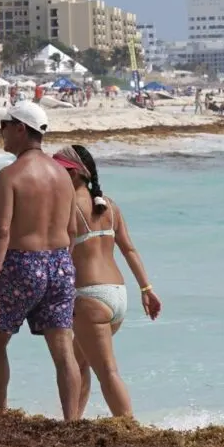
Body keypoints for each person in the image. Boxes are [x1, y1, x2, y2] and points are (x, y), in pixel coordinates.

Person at [0, 101, 81, 421]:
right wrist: (65, 273)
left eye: (5, 126)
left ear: (21, 129)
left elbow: (1, 230)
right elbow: (72, 229)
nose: (1, 132)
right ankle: (72, 423)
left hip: (23, 264)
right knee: (63, 349)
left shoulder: (10, 176)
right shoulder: (63, 177)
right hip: (60, 264)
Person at [51, 145, 162, 419]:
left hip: (90, 298)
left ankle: (129, 429)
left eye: (60, 170)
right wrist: (147, 289)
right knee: (79, 360)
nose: (54, 175)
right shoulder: (110, 206)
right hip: (118, 297)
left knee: (108, 371)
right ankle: (73, 423)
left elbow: (61, 254)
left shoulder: (68, 207)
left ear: (76, 173)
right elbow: (130, 250)